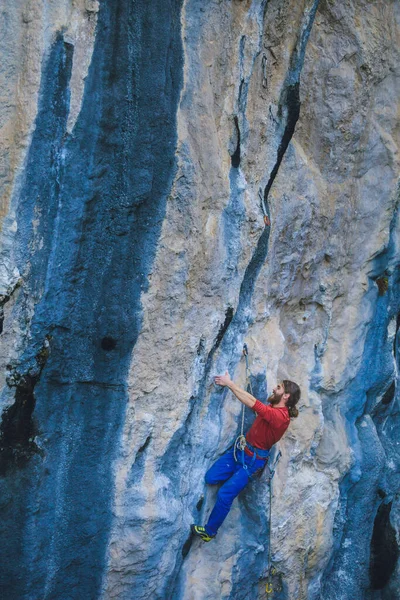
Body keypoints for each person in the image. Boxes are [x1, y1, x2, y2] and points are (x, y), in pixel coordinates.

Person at [191, 372, 300, 541]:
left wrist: (229, 383)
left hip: (252, 462)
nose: (274, 387)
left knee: (225, 494)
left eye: (278, 387)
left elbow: (253, 403)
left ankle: (209, 532)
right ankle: (233, 479)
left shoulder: (280, 417)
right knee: (211, 477)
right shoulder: (273, 407)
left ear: (286, 396)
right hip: (241, 451)